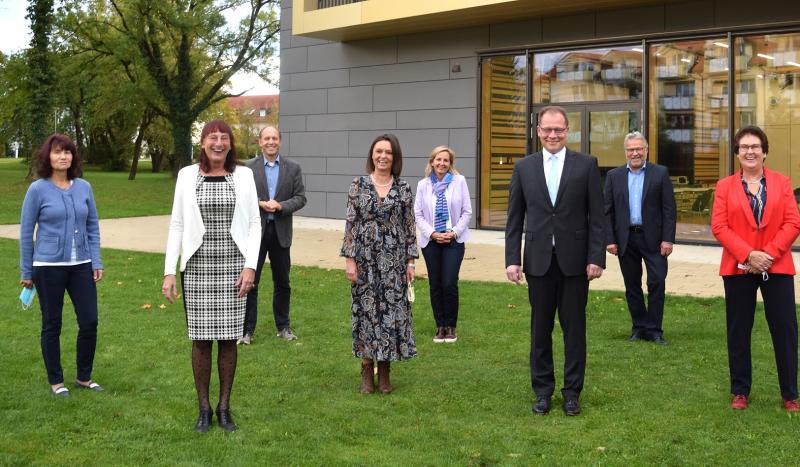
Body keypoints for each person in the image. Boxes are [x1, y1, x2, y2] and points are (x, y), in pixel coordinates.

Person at [505, 105, 605, 416]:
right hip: (537, 262)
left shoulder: (586, 165)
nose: (552, 134)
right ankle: (543, 391)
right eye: (547, 129)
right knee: (540, 330)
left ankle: (572, 391)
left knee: (574, 330)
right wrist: (512, 259)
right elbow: (514, 218)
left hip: (576, 263)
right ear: (538, 131)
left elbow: (597, 217)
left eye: (558, 129)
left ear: (567, 131)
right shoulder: (524, 167)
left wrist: (596, 257)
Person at [162, 120, 261, 432]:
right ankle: (204, 408)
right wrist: (169, 271)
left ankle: (224, 407)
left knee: (229, 340)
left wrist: (251, 266)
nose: (218, 143)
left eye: (224, 138)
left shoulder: (243, 175)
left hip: (234, 266)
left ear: (231, 143)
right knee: (201, 341)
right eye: (212, 138)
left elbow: (255, 223)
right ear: (202, 142)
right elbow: (177, 224)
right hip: (198, 267)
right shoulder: (187, 175)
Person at [711, 125, 800, 413]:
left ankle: (790, 394)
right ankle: (740, 391)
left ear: (765, 152)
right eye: (744, 147)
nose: (750, 151)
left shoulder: (782, 183)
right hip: (738, 269)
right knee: (738, 330)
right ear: (737, 153)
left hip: (777, 266)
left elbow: (793, 222)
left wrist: (768, 255)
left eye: (755, 146)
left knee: (785, 330)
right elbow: (719, 226)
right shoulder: (724, 187)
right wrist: (749, 255)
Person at [19, 134, 104, 397]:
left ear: (73, 157)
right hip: (47, 265)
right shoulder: (37, 189)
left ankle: (83, 377)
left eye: (67, 152)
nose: (63, 156)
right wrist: (26, 271)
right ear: (48, 157)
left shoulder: (84, 187)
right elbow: (25, 231)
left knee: (89, 321)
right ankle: (56, 381)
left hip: (82, 265)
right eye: (57, 152)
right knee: (52, 324)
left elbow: (92, 226)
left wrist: (96, 260)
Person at [341, 133, 418, 394]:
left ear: (394, 157)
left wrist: (411, 262)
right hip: (365, 260)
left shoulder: (404, 188)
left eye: (388, 152)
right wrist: (350, 260)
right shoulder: (358, 184)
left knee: (390, 314)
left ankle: (384, 371)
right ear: (372, 155)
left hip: (394, 262)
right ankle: (366, 369)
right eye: (378, 152)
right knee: (366, 313)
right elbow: (351, 224)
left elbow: (409, 227)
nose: (383, 156)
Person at [604, 131, 676, 345]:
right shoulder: (613, 176)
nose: (635, 153)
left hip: (654, 239)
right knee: (632, 285)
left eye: (638, 148)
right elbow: (607, 211)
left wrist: (668, 239)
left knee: (656, 282)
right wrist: (610, 239)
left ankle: (654, 329)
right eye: (631, 149)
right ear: (625, 152)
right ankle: (639, 326)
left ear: (646, 150)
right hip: (626, 239)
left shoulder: (660, 173)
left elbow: (669, 210)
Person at [241, 125, 307, 344]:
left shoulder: (293, 168)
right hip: (254, 233)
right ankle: (246, 330)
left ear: (280, 141)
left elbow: (300, 198)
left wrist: (280, 205)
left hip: (280, 232)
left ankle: (283, 326)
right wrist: (258, 203)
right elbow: (239, 197)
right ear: (259, 142)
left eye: (274, 138)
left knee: (283, 283)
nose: (271, 142)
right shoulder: (247, 168)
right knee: (250, 282)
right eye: (266, 138)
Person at [414, 146, 472, 343]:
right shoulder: (423, 185)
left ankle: (451, 326)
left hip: (454, 240)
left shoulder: (459, 181)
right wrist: (432, 233)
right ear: (432, 162)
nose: (442, 163)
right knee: (435, 284)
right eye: (438, 160)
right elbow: (418, 214)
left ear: (450, 164)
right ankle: (440, 326)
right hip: (431, 241)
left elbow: (467, 212)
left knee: (449, 283)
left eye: (446, 160)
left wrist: (454, 232)